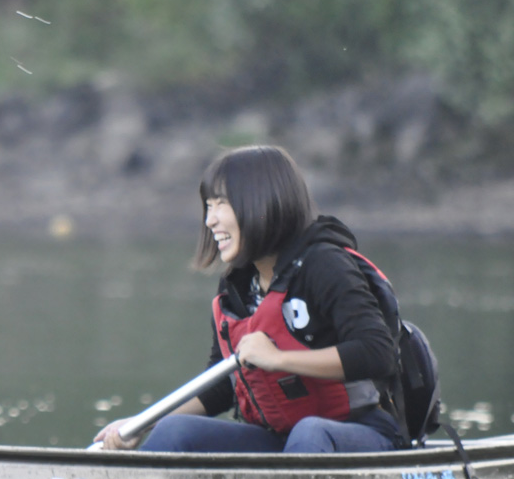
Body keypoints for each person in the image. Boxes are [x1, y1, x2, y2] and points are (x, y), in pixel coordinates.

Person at [93, 145, 403, 454]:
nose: (210, 220)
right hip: (280, 440)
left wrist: (278, 359)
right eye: (208, 206)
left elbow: (377, 353)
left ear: (262, 202)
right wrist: (141, 423)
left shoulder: (325, 265)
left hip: (358, 432)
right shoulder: (236, 286)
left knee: (309, 432)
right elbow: (220, 387)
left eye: (222, 204)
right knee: (174, 430)